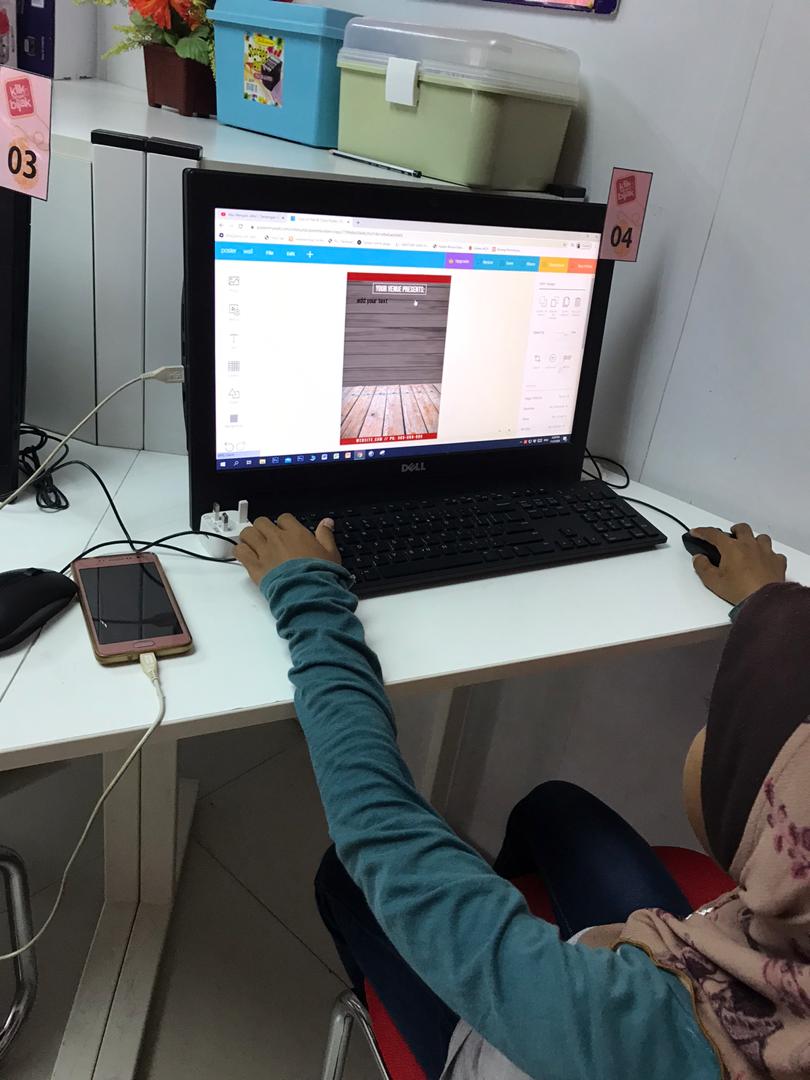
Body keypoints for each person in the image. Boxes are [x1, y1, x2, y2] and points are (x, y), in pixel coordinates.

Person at [235, 518, 809, 1080]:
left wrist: (307, 592)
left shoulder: (621, 1038)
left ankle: (450, 1001)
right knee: (555, 810)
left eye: (730, 728)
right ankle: (499, 934)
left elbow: (380, 831)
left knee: (346, 872)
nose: (719, 729)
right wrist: (768, 608)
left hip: (589, 1032)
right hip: (701, 965)